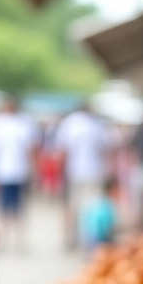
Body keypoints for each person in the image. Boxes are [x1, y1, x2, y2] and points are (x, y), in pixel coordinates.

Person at [54, 103, 114, 248]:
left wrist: (60, 174)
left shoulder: (69, 124)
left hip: (74, 172)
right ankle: (92, 239)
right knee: (93, 207)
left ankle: (72, 238)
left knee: (74, 206)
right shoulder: (97, 125)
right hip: (95, 173)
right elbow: (106, 150)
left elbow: (62, 151)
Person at [0, 97, 39, 252]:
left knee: (19, 208)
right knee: (1, 208)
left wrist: (34, 172)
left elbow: (31, 149)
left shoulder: (24, 123)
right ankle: (3, 239)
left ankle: (18, 240)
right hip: (0, 173)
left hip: (19, 172)